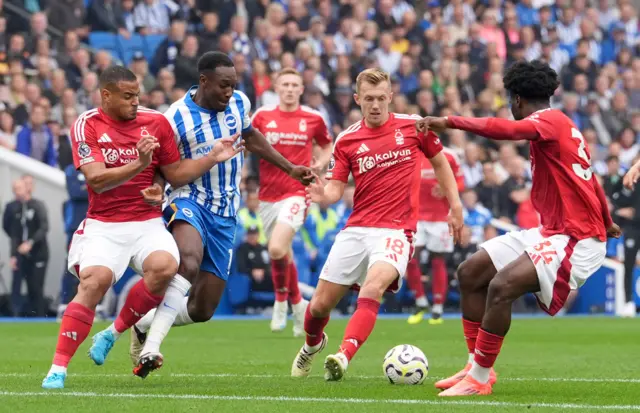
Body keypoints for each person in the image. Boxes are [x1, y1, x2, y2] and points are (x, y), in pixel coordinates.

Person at [415, 60, 621, 396]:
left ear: (517, 100)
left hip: (575, 238)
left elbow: (505, 131)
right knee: (471, 272)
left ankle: (479, 380)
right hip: (552, 230)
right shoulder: (564, 125)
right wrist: (607, 219)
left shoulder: (547, 122)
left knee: (501, 287)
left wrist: (449, 121)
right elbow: (591, 175)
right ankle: (475, 365)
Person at [42, 66, 243, 390]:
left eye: (137, 95)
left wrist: (210, 158)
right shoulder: (87, 124)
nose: (136, 102)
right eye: (128, 96)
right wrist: (138, 164)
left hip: (146, 220)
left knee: (167, 266)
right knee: (96, 282)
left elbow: (174, 172)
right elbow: (95, 178)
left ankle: (114, 332)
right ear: (105, 96)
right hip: (104, 224)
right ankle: (58, 369)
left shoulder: (155, 123)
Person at [125, 52, 313, 378]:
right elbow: (159, 162)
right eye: (223, 86)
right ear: (204, 82)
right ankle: (153, 346)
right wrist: (155, 188)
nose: (229, 92)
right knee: (188, 259)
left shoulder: (239, 103)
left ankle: (143, 324)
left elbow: (250, 136)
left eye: (233, 85)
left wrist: (291, 168)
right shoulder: (175, 117)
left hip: (225, 211)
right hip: (188, 199)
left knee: (202, 309)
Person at [290, 68, 463, 382]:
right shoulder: (347, 140)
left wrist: (456, 206)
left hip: (397, 231)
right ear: (357, 99)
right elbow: (335, 187)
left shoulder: (415, 127)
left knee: (372, 289)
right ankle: (312, 346)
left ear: (390, 97)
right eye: (368, 99)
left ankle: (343, 356)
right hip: (357, 230)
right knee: (318, 307)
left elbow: (441, 163)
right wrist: (323, 196)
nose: (375, 105)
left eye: (381, 98)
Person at [251, 68, 332, 336]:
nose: (289, 88)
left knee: (275, 249)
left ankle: (281, 301)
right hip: (267, 196)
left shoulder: (313, 118)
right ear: (276, 87)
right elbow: (250, 142)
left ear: (301, 89)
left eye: (294, 84)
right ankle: (298, 304)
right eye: (284, 84)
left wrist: (320, 163)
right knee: (283, 252)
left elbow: (327, 145)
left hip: (298, 192)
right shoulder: (262, 116)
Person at [407, 147, 465, 325]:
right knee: (409, 256)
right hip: (415, 215)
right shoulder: (410, 153)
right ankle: (421, 301)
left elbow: (461, 182)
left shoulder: (449, 155)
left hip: (441, 217)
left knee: (437, 260)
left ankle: (438, 306)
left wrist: (446, 189)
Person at [2, 177, 49, 317]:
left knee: (35, 287)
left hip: (38, 253)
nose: (17, 192)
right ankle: (14, 317)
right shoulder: (13, 208)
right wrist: (13, 255)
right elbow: (12, 232)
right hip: (19, 254)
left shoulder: (38, 206)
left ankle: (40, 317)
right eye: (15, 189)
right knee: (16, 286)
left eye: (20, 188)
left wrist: (30, 243)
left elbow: (44, 227)